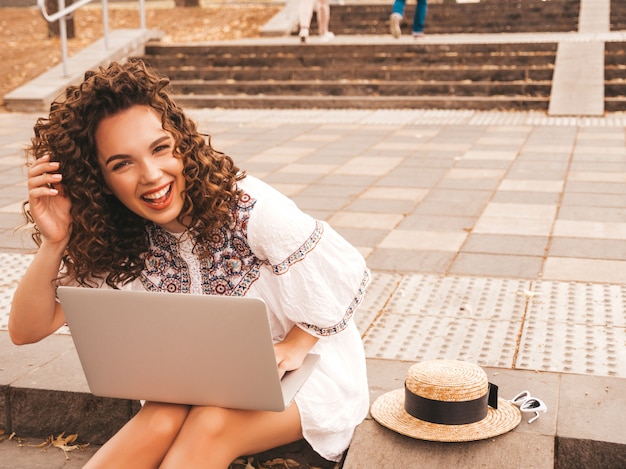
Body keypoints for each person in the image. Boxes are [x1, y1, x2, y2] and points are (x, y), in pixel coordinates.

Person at [9, 59, 371, 468]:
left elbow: (344, 270)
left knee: (209, 424)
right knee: (160, 418)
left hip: (308, 373)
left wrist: (293, 345)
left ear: (181, 143)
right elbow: (27, 329)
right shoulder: (119, 236)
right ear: (100, 180)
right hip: (196, 383)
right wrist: (54, 242)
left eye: (160, 149)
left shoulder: (251, 208)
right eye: (122, 163)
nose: (151, 175)